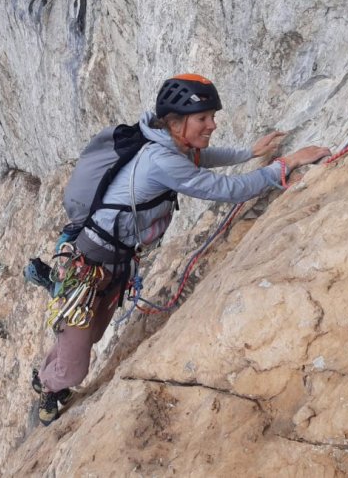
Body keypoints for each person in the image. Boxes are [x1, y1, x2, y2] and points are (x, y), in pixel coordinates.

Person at [34, 74, 331, 425]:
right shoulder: (162, 160)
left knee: (92, 334)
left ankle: (56, 364)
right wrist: (286, 164)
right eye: (203, 118)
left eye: (212, 117)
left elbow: (199, 158)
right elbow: (226, 189)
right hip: (91, 266)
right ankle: (49, 386)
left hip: (110, 265)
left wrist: (249, 153)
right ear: (176, 123)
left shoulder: (163, 143)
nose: (212, 125)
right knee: (74, 368)